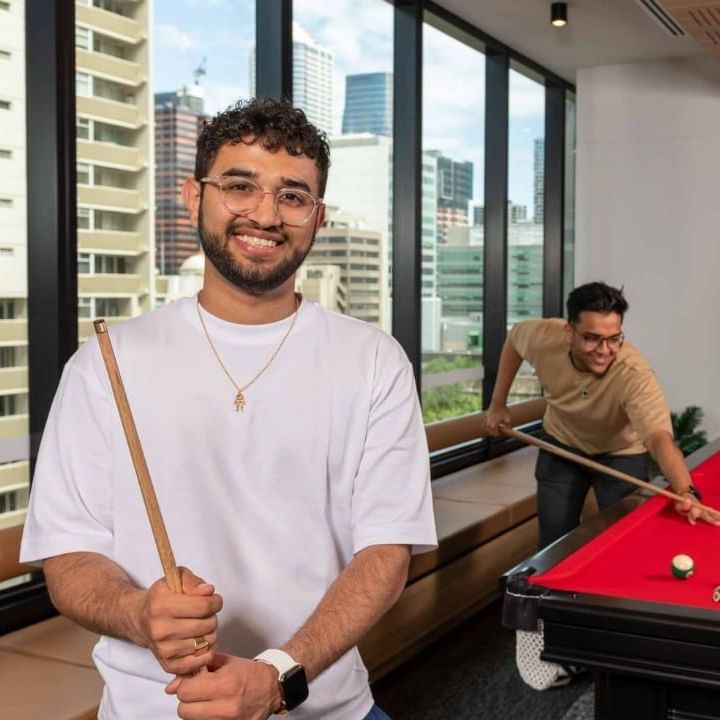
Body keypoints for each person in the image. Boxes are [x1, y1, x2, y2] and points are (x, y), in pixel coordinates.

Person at [20, 97, 437, 720]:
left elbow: (385, 554)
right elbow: (69, 557)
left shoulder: (374, 360)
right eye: (240, 186)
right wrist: (138, 613)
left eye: (292, 196)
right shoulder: (105, 363)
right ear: (195, 197)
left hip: (325, 705)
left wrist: (277, 675)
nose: (265, 214)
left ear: (317, 217)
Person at [479, 281, 718, 549]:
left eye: (614, 338)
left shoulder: (635, 374)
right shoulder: (544, 337)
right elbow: (514, 339)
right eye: (592, 338)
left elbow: (659, 438)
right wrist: (497, 403)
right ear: (569, 332)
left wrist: (686, 491)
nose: (605, 350)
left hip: (621, 455)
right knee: (554, 539)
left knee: (625, 543)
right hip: (561, 445)